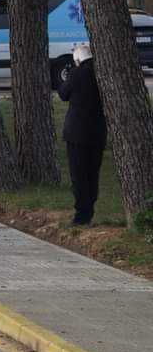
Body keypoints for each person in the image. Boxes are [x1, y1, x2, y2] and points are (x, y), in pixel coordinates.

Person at [58, 44, 106, 226]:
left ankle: (81, 215)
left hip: (76, 132)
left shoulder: (77, 74)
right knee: (93, 173)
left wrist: (70, 75)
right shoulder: (102, 71)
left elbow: (63, 94)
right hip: (98, 131)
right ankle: (90, 210)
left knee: (79, 175)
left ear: (78, 59)